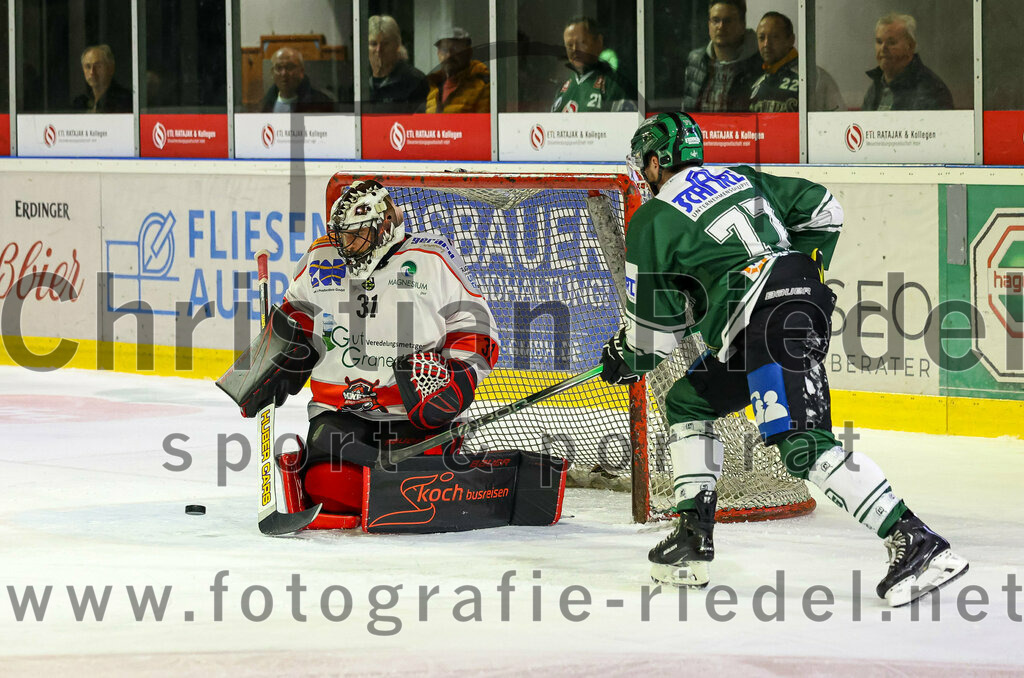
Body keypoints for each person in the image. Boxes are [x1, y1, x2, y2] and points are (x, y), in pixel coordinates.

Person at [599, 112, 968, 607]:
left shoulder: (653, 218)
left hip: (770, 320)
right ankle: (693, 537)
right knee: (689, 399)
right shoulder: (741, 178)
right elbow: (824, 210)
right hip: (773, 314)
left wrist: (624, 358)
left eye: (643, 167)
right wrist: (792, 273)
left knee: (800, 443)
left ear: (652, 162)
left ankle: (915, 540)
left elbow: (651, 340)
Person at [219, 180, 501, 527]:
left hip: (413, 410)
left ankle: (398, 481)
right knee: (332, 488)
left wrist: (459, 376)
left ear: (383, 227)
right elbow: (295, 317)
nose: (346, 245)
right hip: (339, 411)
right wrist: (272, 359)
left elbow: (478, 328)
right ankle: (368, 484)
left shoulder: (432, 258)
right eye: (341, 236)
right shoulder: (322, 258)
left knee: (421, 490)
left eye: (356, 235)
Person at [749, 12, 845, 113]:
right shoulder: (755, 82)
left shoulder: (814, 77)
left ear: (791, 40)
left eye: (775, 37)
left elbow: (838, 122)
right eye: (761, 37)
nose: (766, 43)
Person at [681, 0, 762, 112]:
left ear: (742, 25)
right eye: (715, 20)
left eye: (728, 21)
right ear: (709, 24)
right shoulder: (696, 60)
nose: (721, 26)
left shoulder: (759, 63)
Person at [863, 13, 953, 111]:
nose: (883, 48)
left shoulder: (932, 90)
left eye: (891, 42)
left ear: (910, 46)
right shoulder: (876, 86)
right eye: (879, 42)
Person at [551, 16, 635, 113]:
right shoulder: (563, 89)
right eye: (569, 45)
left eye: (582, 43)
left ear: (599, 42)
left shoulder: (614, 84)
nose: (575, 50)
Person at [365, 15, 428, 114]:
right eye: (373, 44)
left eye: (385, 44)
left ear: (397, 45)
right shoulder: (359, 80)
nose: (379, 50)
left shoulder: (416, 82)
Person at [424, 27, 490, 113]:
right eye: (444, 50)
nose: (448, 55)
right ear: (438, 53)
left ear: (469, 52)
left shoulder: (483, 83)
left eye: (455, 49)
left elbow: (485, 124)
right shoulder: (432, 85)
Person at [259, 47, 335, 113]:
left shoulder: (321, 103)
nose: (284, 73)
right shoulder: (264, 104)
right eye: (279, 68)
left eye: (289, 67)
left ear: (301, 72)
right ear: (272, 73)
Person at [72, 45, 132, 113]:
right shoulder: (81, 102)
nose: (92, 72)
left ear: (111, 68)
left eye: (98, 66)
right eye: (88, 67)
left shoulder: (124, 100)